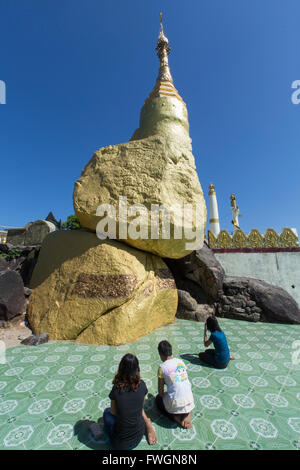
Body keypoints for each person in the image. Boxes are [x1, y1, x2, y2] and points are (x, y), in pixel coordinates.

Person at [103, 353, 157, 450]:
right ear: (137, 369)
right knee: (135, 411)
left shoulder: (116, 389)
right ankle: (147, 424)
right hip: (138, 436)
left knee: (107, 413)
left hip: (121, 444)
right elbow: (141, 406)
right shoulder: (142, 385)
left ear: (121, 368)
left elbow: (114, 412)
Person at [155, 340, 195, 429]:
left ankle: (177, 419)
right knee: (181, 393)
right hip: (190, 399)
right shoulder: (180, 361)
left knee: (158, 399)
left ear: (160, 354)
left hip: (176, 404)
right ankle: (187, 415)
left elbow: (161, 393)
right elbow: (181, 378)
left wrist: (165, 391)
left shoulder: (162, 367)